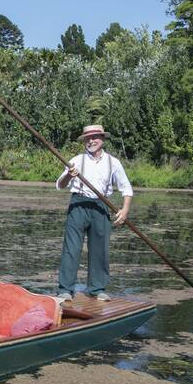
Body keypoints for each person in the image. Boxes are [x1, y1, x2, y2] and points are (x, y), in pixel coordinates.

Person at [55, 124, 133, 302]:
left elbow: (126, 188)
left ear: (102, 139)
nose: (91, 141)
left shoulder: (114, 162)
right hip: (78, 205)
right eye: (87, 138)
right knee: (71, 248)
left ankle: (96, 289)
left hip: (101, 206)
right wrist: (69, 175)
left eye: (95, 137)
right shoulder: (76, 160)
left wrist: (125, 209)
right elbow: (60, 184)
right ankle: (65, 290)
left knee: (100, 249)